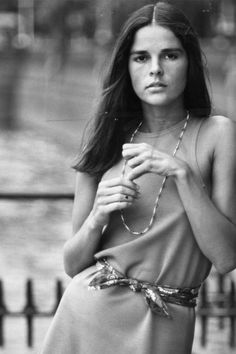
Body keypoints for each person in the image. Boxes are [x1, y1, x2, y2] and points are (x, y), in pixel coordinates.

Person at [41, 2, 236, 354]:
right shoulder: (105, 140)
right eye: (141, 57)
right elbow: (73, 264)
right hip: (87, 313)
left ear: (189, 62)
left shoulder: (217, 134)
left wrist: (182, 173)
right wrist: (97, 216)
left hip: (166, 324)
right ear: (126, 67)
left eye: (170, 56)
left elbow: (225, 257)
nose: (156, 69)